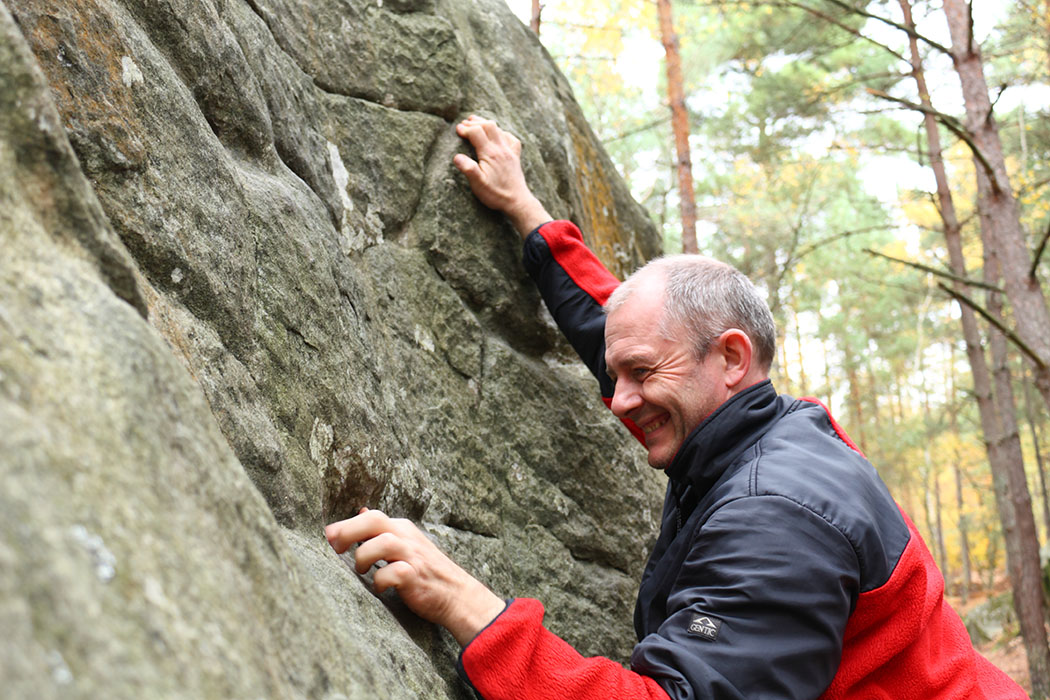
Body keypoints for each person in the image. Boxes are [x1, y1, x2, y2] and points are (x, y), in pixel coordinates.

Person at [324, 116, 1030, 700]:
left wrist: (469, 607)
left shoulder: (776, 511)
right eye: (614, 374)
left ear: (729, 358)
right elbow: (615, 325)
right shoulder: (757, 428)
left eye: (638, 374)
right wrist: (526, 211)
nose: (620, 400)